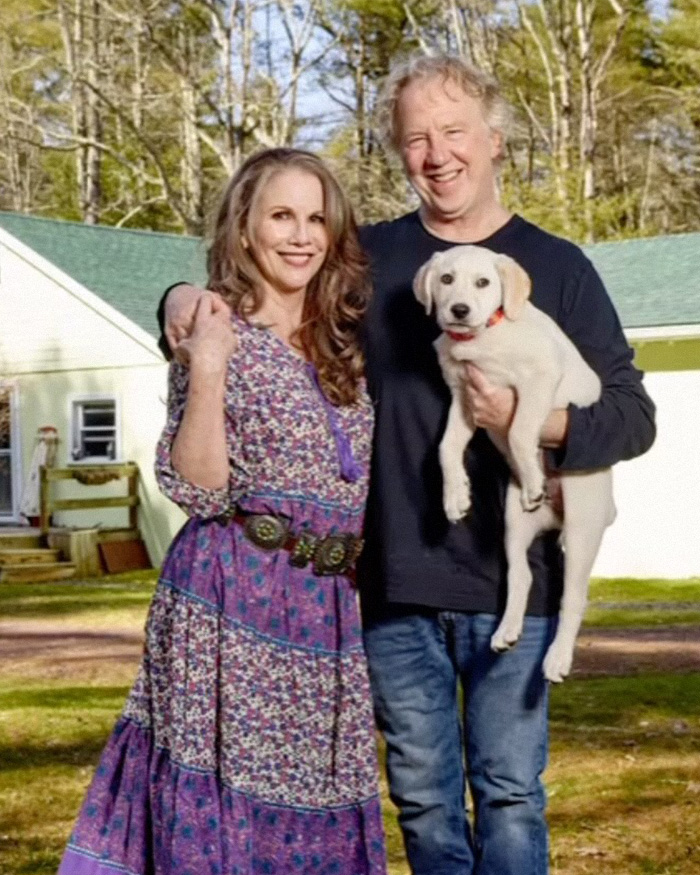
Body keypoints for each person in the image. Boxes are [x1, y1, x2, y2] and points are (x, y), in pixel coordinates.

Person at [160, 57, 656, 875]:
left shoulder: (558, 269)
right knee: (423, 801)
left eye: (454, 131)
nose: (437, 153)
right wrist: (177, 298)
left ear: (494, 140)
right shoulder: (371, 260)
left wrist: (542, 421)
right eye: (416, 138)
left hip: (512, 583)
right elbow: (261, 300)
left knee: (510, 793)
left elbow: (633, 415)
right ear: (399, 153)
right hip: (391, 582)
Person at [58, 148, 387, 875]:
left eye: (316, 218)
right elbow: (198, 487)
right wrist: (206, 364)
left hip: (325, 610)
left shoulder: (345, 346)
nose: (301, 235)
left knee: (320, 796)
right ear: (244, 229)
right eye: (281, 215)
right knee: (227, 802)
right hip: (231, 593)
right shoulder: (213, 328)